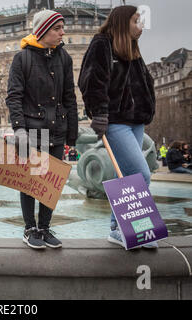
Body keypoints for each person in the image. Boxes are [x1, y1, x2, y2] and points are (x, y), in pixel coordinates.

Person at [78, 6, 158, 248]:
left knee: (129, 176)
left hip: (135, 120)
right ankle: (123, 228)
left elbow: (143, 82)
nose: (140, 26)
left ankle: (127, 229)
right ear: (124, 22)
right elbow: (91, 80)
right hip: (114, 120)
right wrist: (99, 113)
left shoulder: (131, 48)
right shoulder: (101, 43)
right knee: (141, 174)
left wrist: (147, 108)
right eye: (136, 21)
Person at [6, 9, 78, 250]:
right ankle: (30, 228)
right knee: (30, 180)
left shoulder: (64, 58)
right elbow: (14, 96)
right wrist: (19, 129)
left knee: (51, 181)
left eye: (62, 27)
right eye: (58, 28)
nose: (62, 32)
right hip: (31, 128)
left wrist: (72, 134)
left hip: (57, 128)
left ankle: (45, 228)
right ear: (44, 30)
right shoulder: (22, 58)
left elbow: (69, 97)